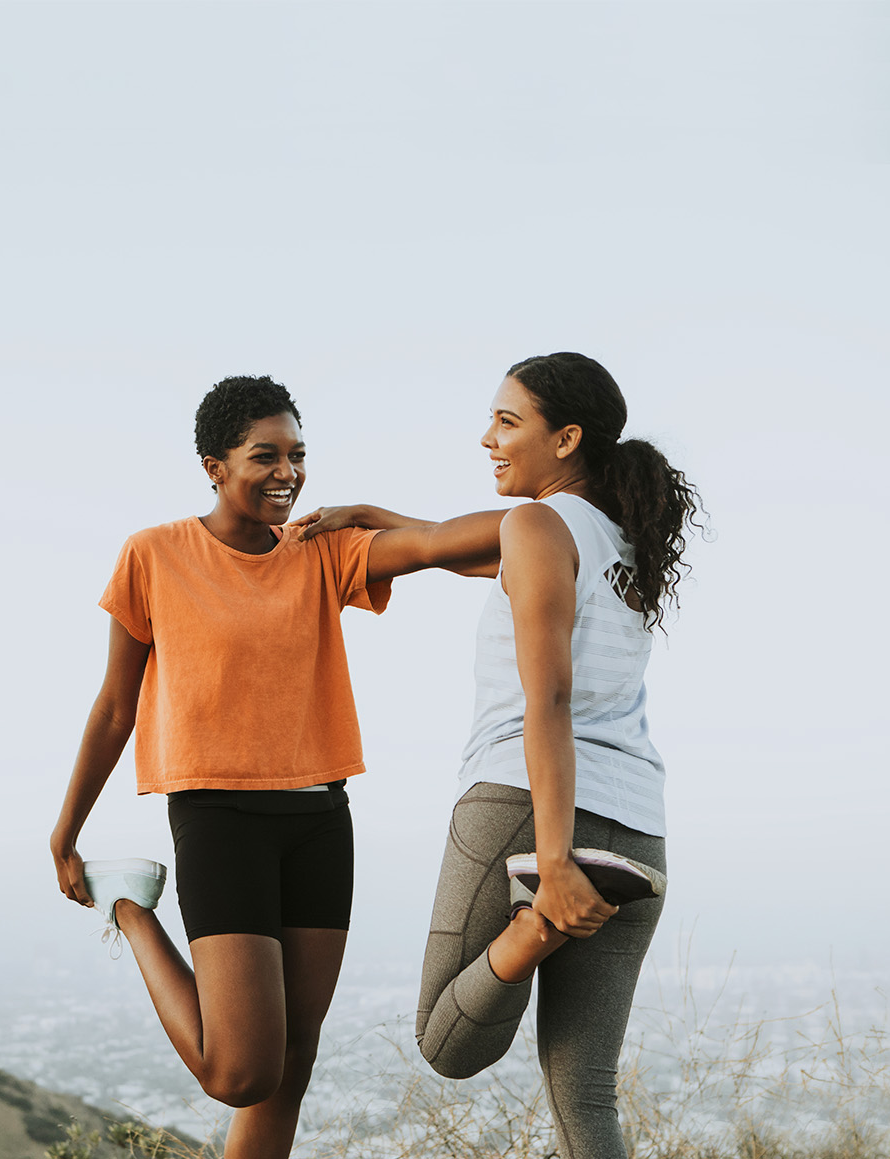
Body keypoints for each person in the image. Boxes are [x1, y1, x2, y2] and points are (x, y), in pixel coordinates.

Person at [48, 375, 504, 1159]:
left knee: (293, 1063)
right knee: (240, 1071)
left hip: (321, 819)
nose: (287, 471)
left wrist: (367, 514)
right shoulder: (154, 555)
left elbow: (482, 545)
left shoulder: (324, 550)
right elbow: (116, 708)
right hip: (219, 817)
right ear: (213, 466)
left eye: (298, 454)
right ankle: (128, 907)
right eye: (265, 455)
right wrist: (68, 832)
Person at [298, 352, 703, 1159]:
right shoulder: (618, 537)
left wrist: (552, 866)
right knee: (585, 1093)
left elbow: (546, 699)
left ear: (567, 438)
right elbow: (440, 542)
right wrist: (368, 513)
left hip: (525, 803)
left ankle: (537, 924)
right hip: (637, 830)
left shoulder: (538, 527)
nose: (488, 436)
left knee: (447, 1042)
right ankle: (543, 911)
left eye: (507, 421)